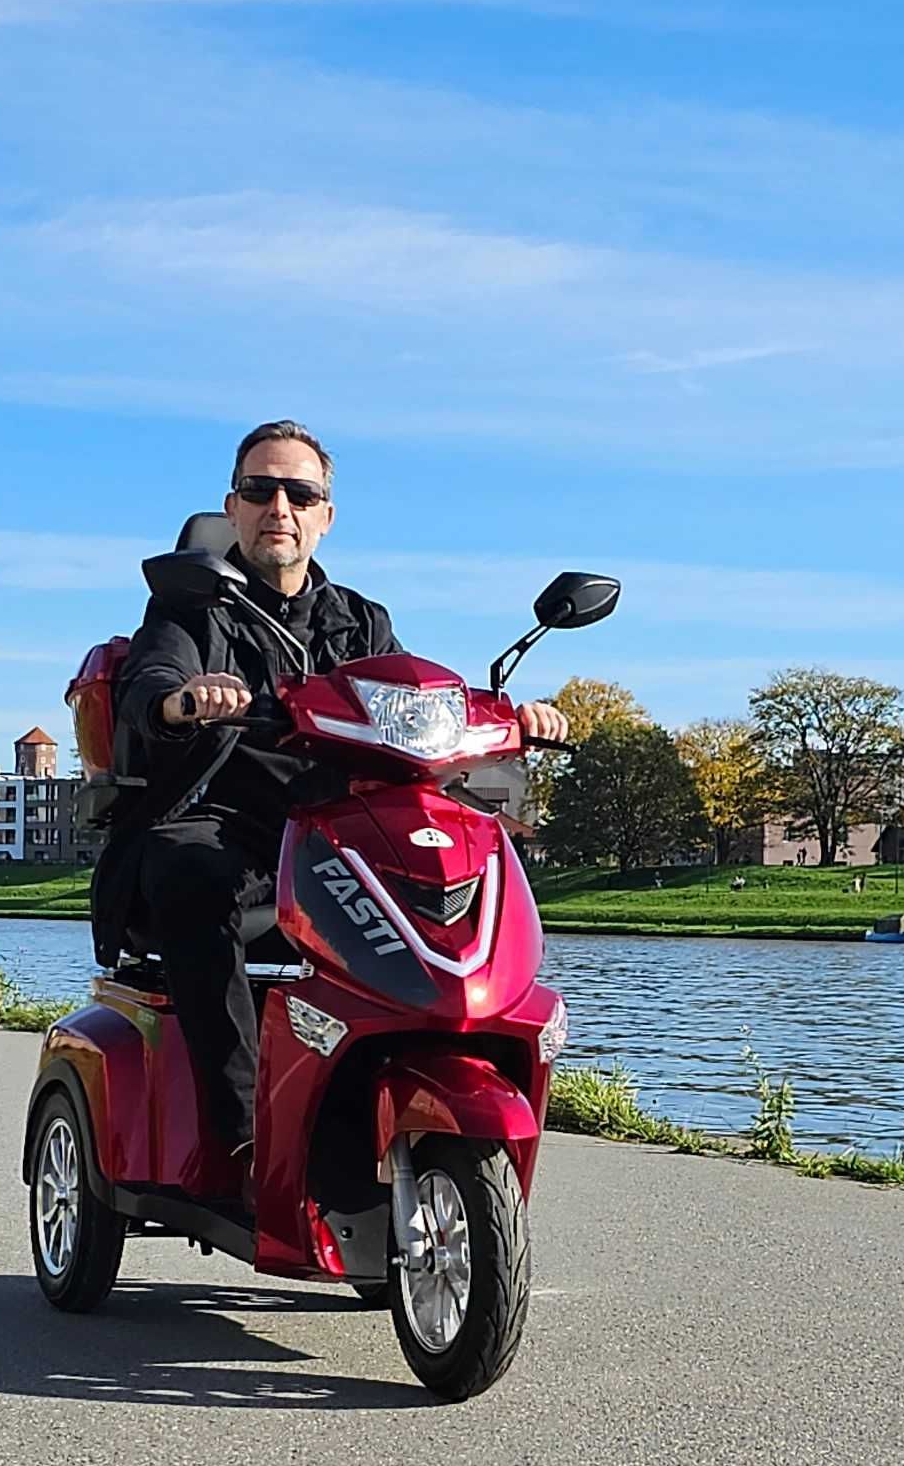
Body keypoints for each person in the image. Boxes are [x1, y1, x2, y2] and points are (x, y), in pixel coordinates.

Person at [111, 418, 565, 1186]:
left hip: (337, 828)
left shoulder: (361, 621)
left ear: (325, 515)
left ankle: (414, 1071)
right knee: (196, 879)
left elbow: (420, 708)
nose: (278, 507)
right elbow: (149, 682)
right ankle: (247, 1134)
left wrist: (510, 719)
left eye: (299, 492)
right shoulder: (193, 606)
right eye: (260, 490)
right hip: (224, 821)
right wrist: (183, 700)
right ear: (234, 505)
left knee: (462, 863)